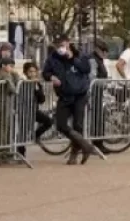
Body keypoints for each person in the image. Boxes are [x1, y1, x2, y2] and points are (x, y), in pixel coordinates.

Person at [42, 35, 96, 164]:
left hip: (79, 95)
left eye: (63, 45)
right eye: (58, 46)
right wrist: (51, 77)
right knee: (60, 124)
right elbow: (45, 73)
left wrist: (72, 58)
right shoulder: (52, 58)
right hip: (64, 95)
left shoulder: (80, 55)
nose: (61, 48)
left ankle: (74, 155)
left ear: (68, 44)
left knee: (78, 125)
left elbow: (86, 69)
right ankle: (85, 145)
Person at [23, 61, 51, 143]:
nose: (33, 74)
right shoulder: (23, 83)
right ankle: (21, 151)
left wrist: (36, 88)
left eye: (34, 71)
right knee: (24, 131)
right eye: (30, 72)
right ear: (26, 73)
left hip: (34, 110)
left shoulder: (37, 84)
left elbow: (42, 100)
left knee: (48, 121)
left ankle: (35, 135)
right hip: (24, 111)